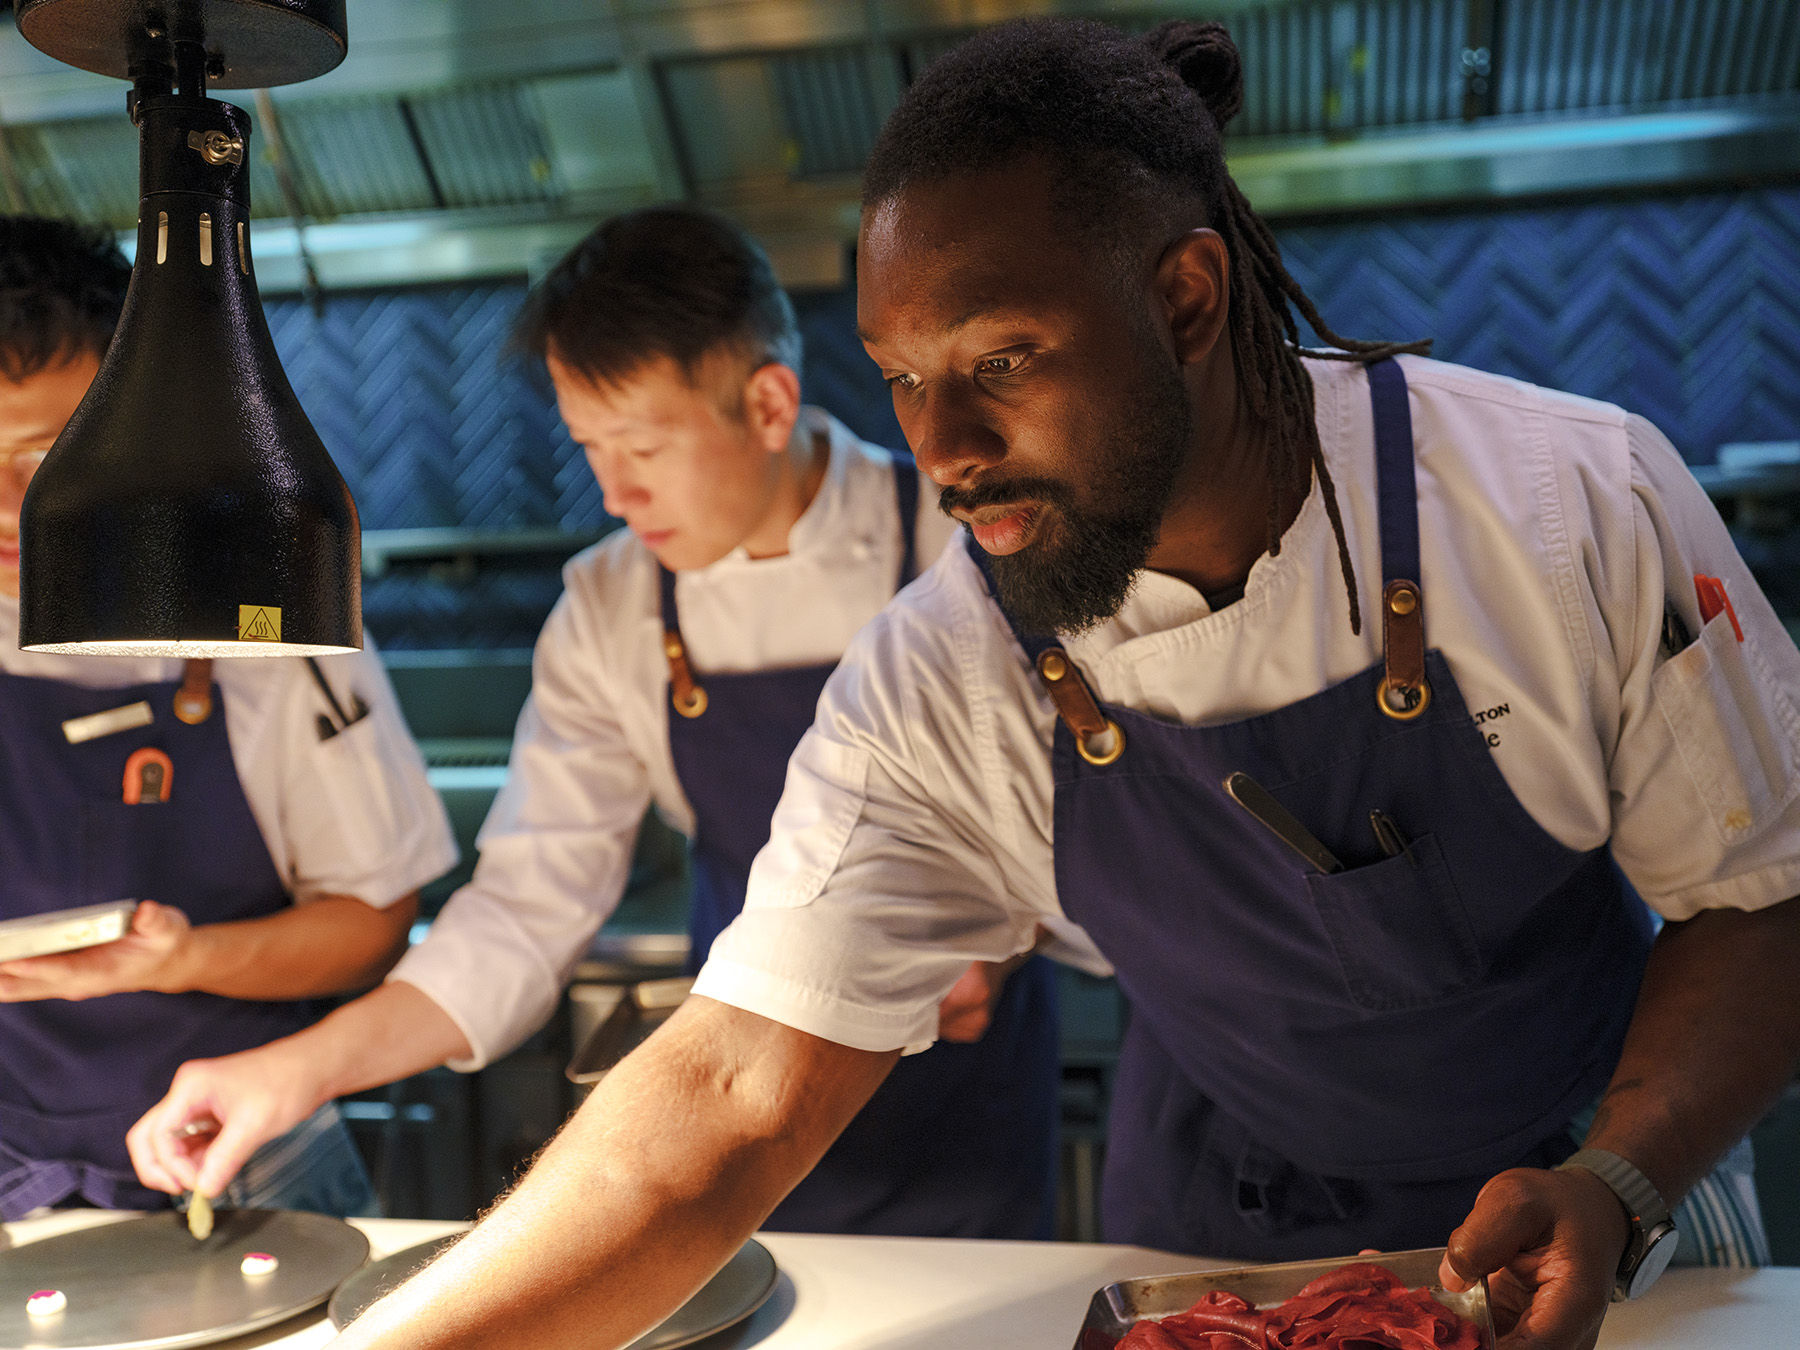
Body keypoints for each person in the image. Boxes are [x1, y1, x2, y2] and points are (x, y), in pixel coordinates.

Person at [141, 20, 1800, 1350]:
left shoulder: (1563, 507)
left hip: (1587, 1197)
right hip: (1207, 1216)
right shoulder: (949, 662)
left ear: (1188, 299)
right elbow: (732, 1082)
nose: (942, 449)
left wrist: (1625, 1178)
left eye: (1000, 361)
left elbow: (1761, 895)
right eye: (908, 380)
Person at [129, 205, 1063, 1240]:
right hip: (736, 1097)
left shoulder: (961, 541)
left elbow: (1090, 812)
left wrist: (1010, 938)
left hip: (958, 1111)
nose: (616, 493)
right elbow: (525, 909)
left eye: (644, 447)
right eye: (590, 448)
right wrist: (294, 1071)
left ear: (768, 402)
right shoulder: (613, 606)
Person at [0, 215, 457, 1218]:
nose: (7, 507)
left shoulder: (266, 614)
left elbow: (373, 924)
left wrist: (186, 959)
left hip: (246, 1153)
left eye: (43, 455)